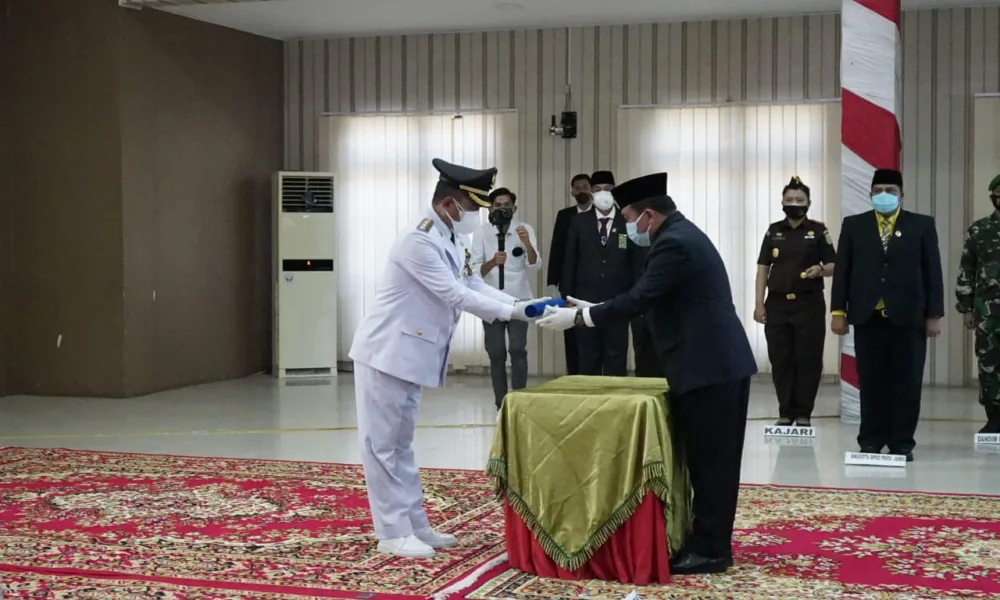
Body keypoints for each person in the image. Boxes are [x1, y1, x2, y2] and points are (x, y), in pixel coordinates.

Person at [537, 173, 757, 575]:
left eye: (628, 220)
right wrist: (594, 307)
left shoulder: (674, 243)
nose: (628, 229)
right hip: (708, 363)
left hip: (710, 365)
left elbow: (642, 296)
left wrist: (582, 318)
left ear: (649, 216)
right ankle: (705, 539)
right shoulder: (679, 234)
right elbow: (649, 298)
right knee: (707, 460)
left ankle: (711, 550)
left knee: (713, 464)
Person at [348, 159, 543, 559]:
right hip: (386, 352)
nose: (476, 216)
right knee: (382, 446)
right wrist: (513, 312)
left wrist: (521, 305)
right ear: (449, 204)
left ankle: (415, 524)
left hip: (412, 354)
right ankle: (391, 532)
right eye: (472, 208)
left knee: (401, 444)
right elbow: (454, 294)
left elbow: (472, 282)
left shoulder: (452, 237)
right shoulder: (417, 241)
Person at [830, 168, 944, 462]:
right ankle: (871, 440)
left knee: (907, 382)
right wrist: (838, 311)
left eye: (890, 191)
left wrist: (934, 314)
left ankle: (901, 442)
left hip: (909, 317)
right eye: (878, 190)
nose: (884, 195)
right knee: (871, 382)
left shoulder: (921, 225)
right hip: (867, 317)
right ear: (870, 194)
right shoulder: (854, 225)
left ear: (901, 195)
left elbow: (933, 271)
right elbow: (843, 271)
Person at [753, 176, 836, 427]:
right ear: (782, 202)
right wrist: (759, 304)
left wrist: (820, 270)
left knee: (808, 358)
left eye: (799, 200)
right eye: (789, 199)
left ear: (808, 202)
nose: (794, 204)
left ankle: (803, 413)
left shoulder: (819, 230)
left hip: (808, 304)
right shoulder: (773, 231)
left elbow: (834, 264)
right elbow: (763, 268)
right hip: (777, 304)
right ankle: (785, 411)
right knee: (781, 359)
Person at [471, 187, 542, 409]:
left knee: (518, 349)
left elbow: (535, 265)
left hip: (519, 300)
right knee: (496, 353)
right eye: (498, 205)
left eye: (507, 205)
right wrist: (492, 262)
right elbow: (474, 271)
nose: (502, 209)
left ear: (515, 208)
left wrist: (527, 243)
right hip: (491, 301)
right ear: (490, 208)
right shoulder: (482, 232)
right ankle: (501, 403)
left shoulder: (524, 229)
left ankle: (519, 399)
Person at [561, 170, 636, 376]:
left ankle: (615, 396)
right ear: (591, 193)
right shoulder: (579, 221)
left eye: (608, 189)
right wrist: (567, 296)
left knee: (616, 354)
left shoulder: (627, 221)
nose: (603, 193)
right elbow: (570, 260)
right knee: (587, 355)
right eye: (597, 189)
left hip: (618, 299)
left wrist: (635, 295)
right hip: (584, 298)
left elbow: (636, 261)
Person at [956, 173, 1000, 434]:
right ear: (993, 197)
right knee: (988, 362)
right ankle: (994, 416)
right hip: (987, 311)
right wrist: (966, 307)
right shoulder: (979, 230)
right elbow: (967, 269)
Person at [547, 173, 592, 374]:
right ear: (572, 192)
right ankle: (573, 375)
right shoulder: (565, 215)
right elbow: (556, 249)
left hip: (594, 283)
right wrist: (552, 282)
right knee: (571, 331)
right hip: (569, 283)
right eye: (578, 188)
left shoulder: (601, 215)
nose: (582, 191)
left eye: (585, 187)